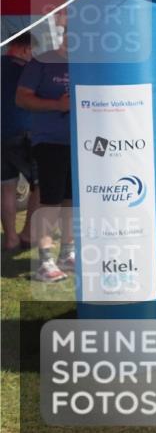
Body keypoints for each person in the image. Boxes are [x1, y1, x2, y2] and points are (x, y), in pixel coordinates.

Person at [16, 35, 75, 281]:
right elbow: (21, 98)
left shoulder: (87, 62)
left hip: (82, 143)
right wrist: (57, 105)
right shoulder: (42, 62)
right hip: (49, 142)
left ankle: (67, 253)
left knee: (72, 200)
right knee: (49, 200)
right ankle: (44, 261)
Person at [2, 34, 39, 252]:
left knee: (5, 188)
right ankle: (28, 234)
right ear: (25, 49)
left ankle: (10, 239)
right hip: (22, 133)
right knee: (40, 186)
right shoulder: (27, 70)